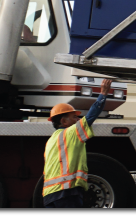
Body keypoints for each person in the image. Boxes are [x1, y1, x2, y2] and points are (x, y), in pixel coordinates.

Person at [41, 79, 113, 208]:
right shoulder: (70, 133)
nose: (78, 119)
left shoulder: (51, 140)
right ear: (64, 121)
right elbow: (91, 116)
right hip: (66, 191)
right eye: (74, 117)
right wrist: (103, 95)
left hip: (49, 195)